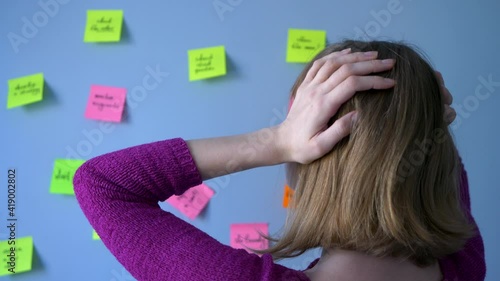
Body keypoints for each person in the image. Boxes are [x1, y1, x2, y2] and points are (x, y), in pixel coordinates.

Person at [74, 40, 486, 281]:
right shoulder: (465, 267)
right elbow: (435, 175)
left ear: (306, 160)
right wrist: (418, 111)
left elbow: (103, 184)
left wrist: (277, 139)